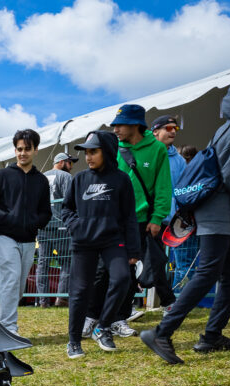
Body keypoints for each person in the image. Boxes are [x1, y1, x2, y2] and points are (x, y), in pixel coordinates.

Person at [141, 78, 230, 364]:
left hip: (214, 212)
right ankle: (161, 332)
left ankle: (211, 336)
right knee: (207, 273)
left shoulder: (225, 128)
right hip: (220, 212)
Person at [84, 104, 175, 338]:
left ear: (136, 124)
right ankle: (91, 316)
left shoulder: (157, 149)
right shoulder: (112, 147)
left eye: (120, 125)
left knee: (128, 272)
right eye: (114, 125)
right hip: (110, 220)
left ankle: (118, 318)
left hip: (140, 222)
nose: (115, 129)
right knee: (101, 271)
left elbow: (164, 187)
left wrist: (157, 218)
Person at [61, 131, 141, 358]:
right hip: (84, 242)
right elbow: (66, 209)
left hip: (112, 241)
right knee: (80, 291)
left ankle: (103, 326)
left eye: (93, 151)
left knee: (122, 278)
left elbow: (129, 217)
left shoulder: (122, 180)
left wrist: (133, 249)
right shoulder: (79, 179)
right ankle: (74, 341)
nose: (88, 157)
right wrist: (76, 226)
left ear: (107, 151)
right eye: (86, 152)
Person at [0, 129, 51, 334]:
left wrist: (33, 223)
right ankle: (9, 328)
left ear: (36, 150)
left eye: (27, 149)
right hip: (4, 237)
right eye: (19, 149)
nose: (22, 153)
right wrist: (8, 218)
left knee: (18, 286)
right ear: (15, 150)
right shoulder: (2, 175)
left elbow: (46, 212)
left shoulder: (41, 181)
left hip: (29, 239)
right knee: (10, 279)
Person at [151, 115, 195, 293]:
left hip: (175, 220)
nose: (173, 132)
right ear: (155, 131)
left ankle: (175, 303)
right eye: (168, 128)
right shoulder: (145, 154)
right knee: (146, 263)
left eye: (175, 129)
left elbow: (184, 189)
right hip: (150, 219)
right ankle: (127, 304)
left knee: (183, 264)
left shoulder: (178, 160)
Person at [40, 152, 77, 307]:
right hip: (60, 226)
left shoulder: (41, 177)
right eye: (70, 162)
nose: (71, 166)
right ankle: (61, 298)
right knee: (66, 262)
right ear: (61, 162)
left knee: (43, 263)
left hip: (42, 226)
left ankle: (42, 300)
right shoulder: (66, 177)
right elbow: (71, 201)